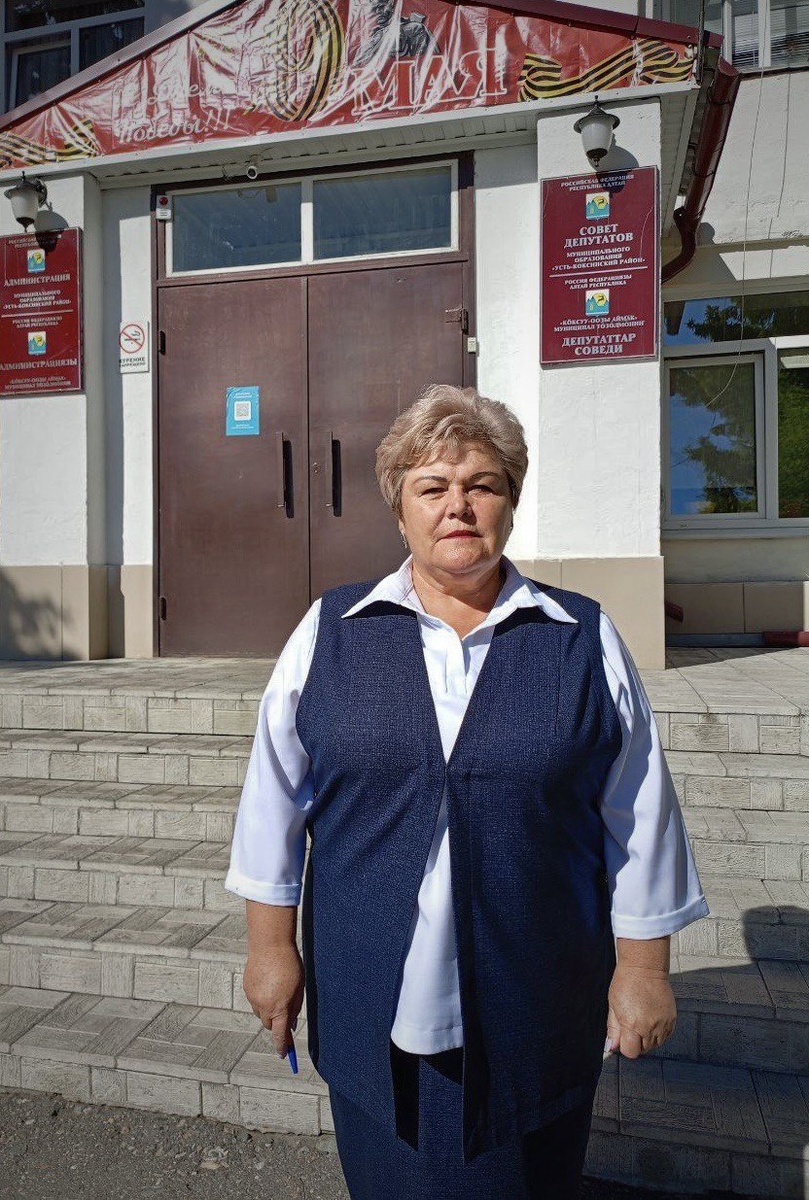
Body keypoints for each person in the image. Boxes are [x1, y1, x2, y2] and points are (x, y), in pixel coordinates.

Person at [224, 384, 709, 1199]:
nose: (457, 506)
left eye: (481, 484)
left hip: (534, 998)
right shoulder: (328, 632)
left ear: (510, 502)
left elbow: (640, 814)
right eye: (431, 488)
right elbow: (271, 803)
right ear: (399, 509)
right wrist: (270, 950)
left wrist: (643, 969)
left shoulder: (582, 636)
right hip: (368, 992)